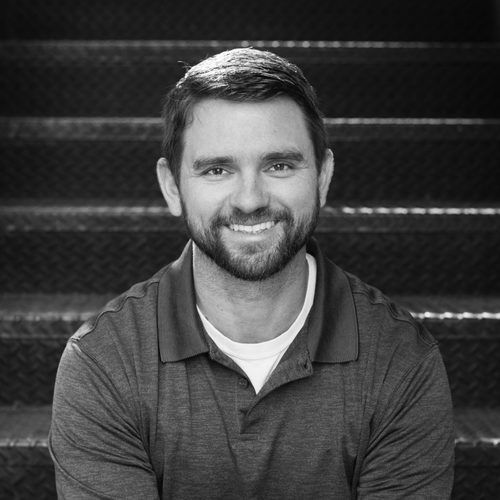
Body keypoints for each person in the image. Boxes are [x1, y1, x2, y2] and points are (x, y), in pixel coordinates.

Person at [49, 48, 454, 499]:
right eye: (217, 169)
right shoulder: (105, 362)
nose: (249, 200)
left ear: (322, 177)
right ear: (172, 187)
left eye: (278, 165)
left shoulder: (401, 359)